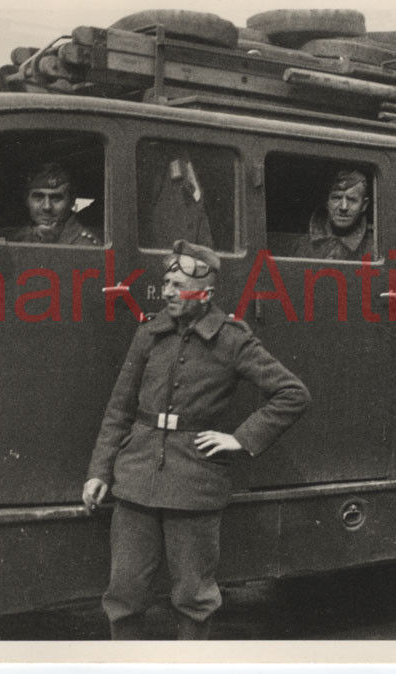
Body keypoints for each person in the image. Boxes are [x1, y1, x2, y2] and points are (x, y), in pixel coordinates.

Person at [82, 240, 310, 640]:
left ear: (205, 293)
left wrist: (240, 439)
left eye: (179, 284)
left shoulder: (233, 339)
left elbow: (293, 394)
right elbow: (119, 409)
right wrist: (99, 471)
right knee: (124, 595)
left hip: (194, 484)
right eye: (166, 281)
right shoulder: (149, 334)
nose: (168, 291)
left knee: (194, 597)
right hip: (135, 481)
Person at [0, 162, 101, 245]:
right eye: (38, 197)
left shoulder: (86, 244)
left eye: (56, 198)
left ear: (71, 201)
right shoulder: (7, 237)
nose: (47, 206)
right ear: (26, 200)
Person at [292, 168, 373, 260]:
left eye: (352, 200)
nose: (344, 207)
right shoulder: (301, 245)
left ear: (364, 205)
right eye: (337, 198)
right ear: (326, 201)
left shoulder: (375, 247)